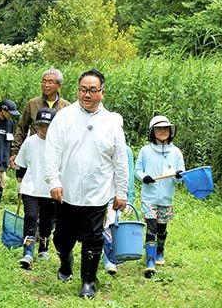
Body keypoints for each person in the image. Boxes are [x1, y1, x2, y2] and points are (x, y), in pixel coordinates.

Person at [44, 68, 128, 299]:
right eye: (83, 90)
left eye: (92, 90)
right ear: (77, 90)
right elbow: (51, 152)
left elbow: (120, 161)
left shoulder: (111, 123)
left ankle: (88, 281)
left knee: (93, 238)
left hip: (97, 192)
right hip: (66, 191)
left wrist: (121, 192)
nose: (87, 95)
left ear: (102, 92)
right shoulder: (64, 117)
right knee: (62, 238)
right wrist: (54, 181)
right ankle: (65, 260)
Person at [135, 115, 185, 278]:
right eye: (159, 128)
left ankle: (159, 250)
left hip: (166, 198)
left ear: (170, 131)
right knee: (151, 227)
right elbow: (137, 171)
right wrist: (144, 177)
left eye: (165, 128)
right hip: (149, 197)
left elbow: (181, 175)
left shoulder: (176, 152)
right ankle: (149, 260)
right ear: (152, 131)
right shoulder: (145, 150)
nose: (162, 131)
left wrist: (179, 177)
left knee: (162, 228)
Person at [14, 107, 57, 270]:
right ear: (36, 126)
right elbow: (22, 165)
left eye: (48, 126)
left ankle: (44, 248)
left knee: (47, 222)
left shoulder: (59, 144)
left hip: (50, 190)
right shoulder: (30, 142)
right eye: (41, 126)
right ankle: (28, 251)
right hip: (31, 188)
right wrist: (19, 184)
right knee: (31, 218)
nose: (44, 129)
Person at [9, 69, 71, 169]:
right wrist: (15, 151)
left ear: (59, 85)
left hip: (57, 155)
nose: (46, 85)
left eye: (50, 82)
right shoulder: (33, 103)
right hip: (35, 153)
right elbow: (21, 128)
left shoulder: (66, 106)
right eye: (44, 81)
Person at [101, 144, 135, 276]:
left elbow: (129, 174)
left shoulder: (126, 150)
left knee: (111, 225)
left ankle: (109, 258)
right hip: (96, 194)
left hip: (116, 195)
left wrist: (129, 197)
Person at [0, 99, 20, 208]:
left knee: (2, 180)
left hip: (4, 156)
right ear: (3, 109)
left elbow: (10, 140)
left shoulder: (10, 123)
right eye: (9, 113)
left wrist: (11, 155)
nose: (10, 116)